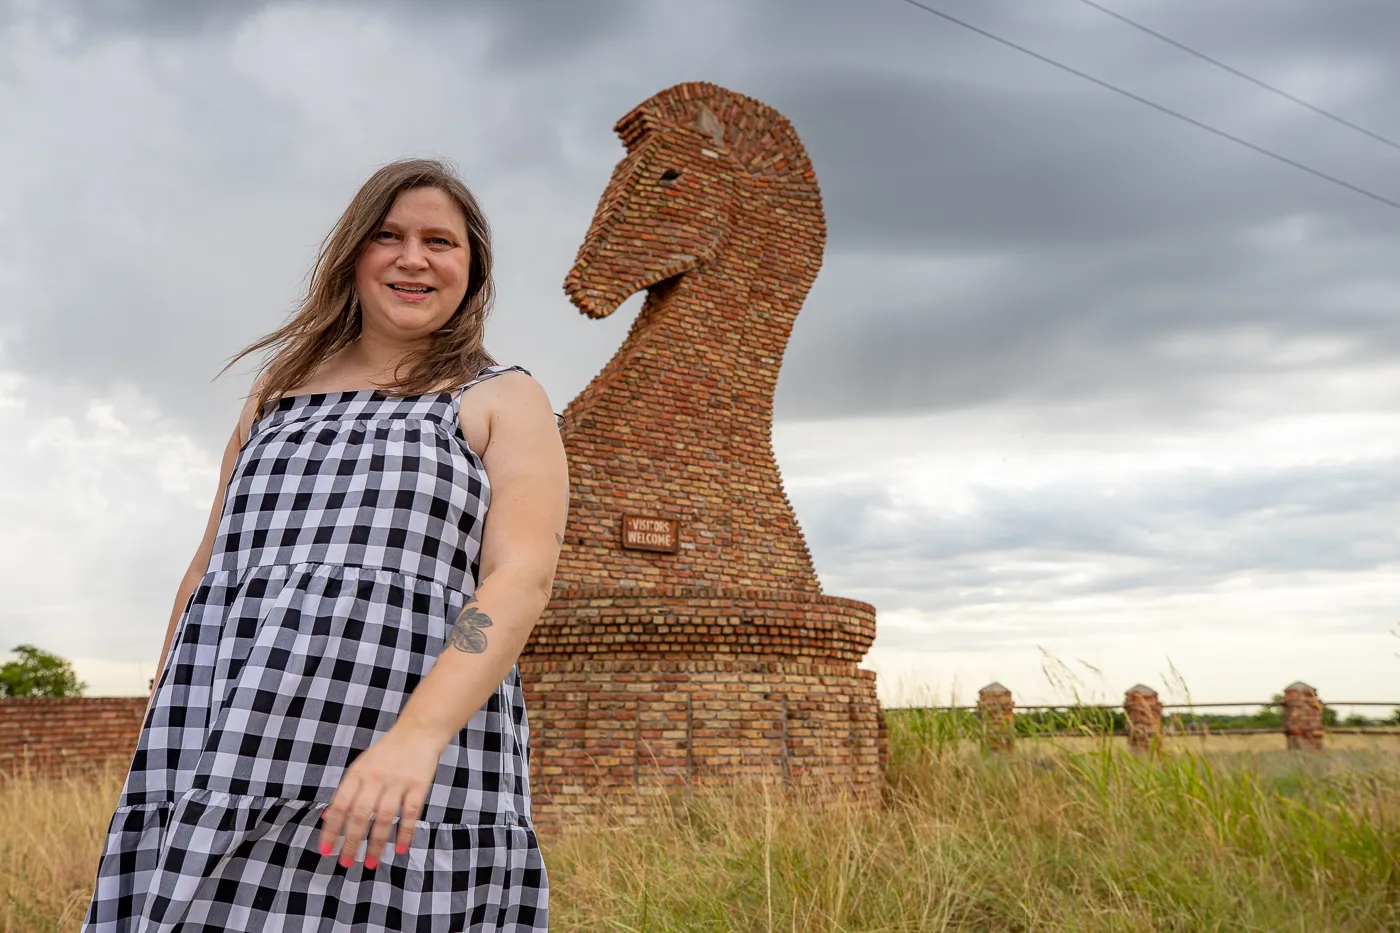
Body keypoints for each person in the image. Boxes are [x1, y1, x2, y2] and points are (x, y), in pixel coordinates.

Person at [82, 158, 569, 932]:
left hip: (409, 754)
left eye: (440, 241)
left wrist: (415, 740)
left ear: (471, 269)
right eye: (389, 235)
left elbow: (520, 578)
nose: (414, 257)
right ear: (353, 254)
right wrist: (168, 712)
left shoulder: (500, 397)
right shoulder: (277, 390)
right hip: (238, 747)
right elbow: (213, 564)